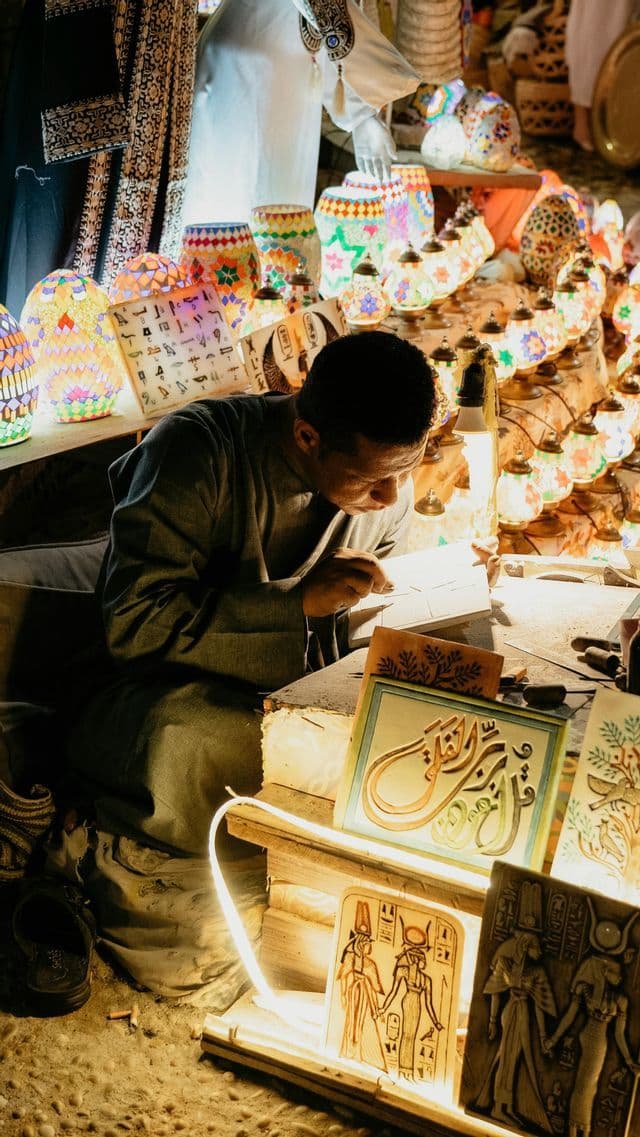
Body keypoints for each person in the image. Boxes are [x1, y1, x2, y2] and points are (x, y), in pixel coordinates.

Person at [50, 330, 437, 1005]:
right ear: (309, 436)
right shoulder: (196, 451)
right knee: (199, 739)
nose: (392, 495)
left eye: (408, 468)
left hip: (296, 687)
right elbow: (133, 624)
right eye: (375, 478)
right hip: (159, 697)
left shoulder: (383, 484)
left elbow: (386, 585)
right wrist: (298, 603)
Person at [183, 0, 419, 225]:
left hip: (287, 63)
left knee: (281, 204)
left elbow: (319, 24)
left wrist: (361, 113)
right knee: (238, 200)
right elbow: (324, 11)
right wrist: (361, 112)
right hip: (251, 65)